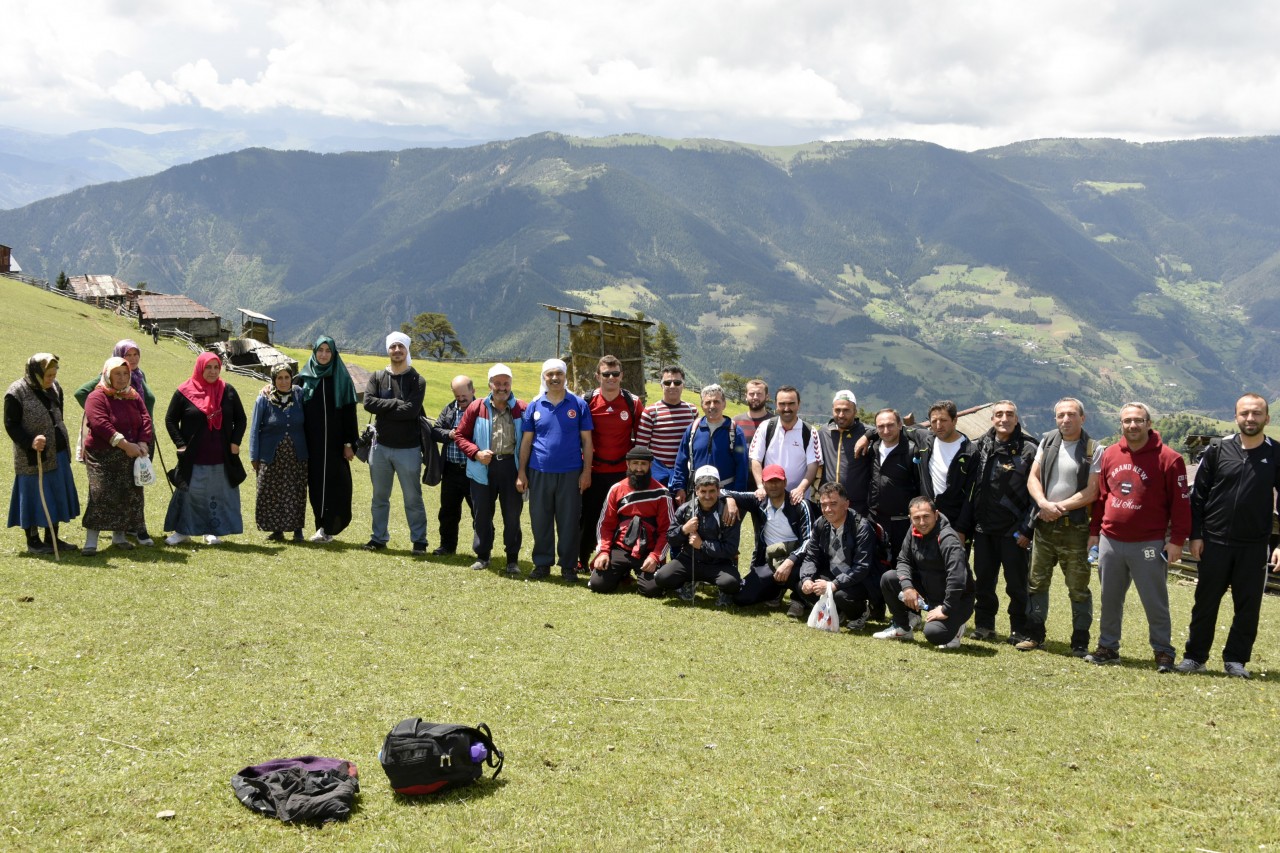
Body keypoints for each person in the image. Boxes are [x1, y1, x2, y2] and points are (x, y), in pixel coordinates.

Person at [1176, 393, 1280, 678]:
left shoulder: (1276, 453)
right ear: (1236, 417)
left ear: (1266, 418)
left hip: (1254, 546)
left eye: (1256, 413)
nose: (1250, 418)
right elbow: (1198, 498)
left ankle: (1236, 661)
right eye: (1245, 413)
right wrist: (1195, 536)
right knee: (1205, 604)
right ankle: (1195, 657)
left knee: (1248, 608)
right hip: (1214, 542)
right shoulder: (1218, 450)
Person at [1085, 402, 1190, 671]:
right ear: (1120, 424)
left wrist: (1177, 540)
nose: (1132, 425)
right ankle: (1108, 647)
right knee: (1110, 598)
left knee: (1154, 600)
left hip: (1149, 541)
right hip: (1110, 539)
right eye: (1127, 420)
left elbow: (1180, 504)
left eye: (1138, 420)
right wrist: (1095, 533)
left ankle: (1163, 651)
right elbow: (1101, 498)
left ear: (1149, 423)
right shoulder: (1109, 455)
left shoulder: (1169, 458)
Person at [1021, 397, 1102, 656]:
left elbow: (1091, 491)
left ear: (1082, 417)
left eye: (1071, 415)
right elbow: (1033, 478)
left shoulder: (1093, 449)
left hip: (1074, 529)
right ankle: (1035, 634)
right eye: (1060, 415)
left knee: (1078, 586)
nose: (1065, 420)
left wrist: (1058, 508)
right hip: (1044, 526)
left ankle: (1080, 640)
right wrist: (1043, 503)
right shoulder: (1047, 441)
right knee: (1036, 582)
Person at [967, 401, 1037, 644]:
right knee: (984, 581)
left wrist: (1028, 528)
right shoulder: (980, 446)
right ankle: (985, 626)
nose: (1004, 418)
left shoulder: (1029, 450)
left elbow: (1037, 495)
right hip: (983, 528)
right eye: (999, 414)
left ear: (1017, 419)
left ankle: (1019, 629)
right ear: (992, 419)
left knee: (1017, 585)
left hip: (1015, 531)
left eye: (1009, 414)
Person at [517, 358, 593, 582]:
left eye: (558, 374)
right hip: (538, 471)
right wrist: (522, 472)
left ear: (565, 376)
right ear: (544, 378)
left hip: (571, 472)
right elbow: (526, 442)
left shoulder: (578, 405)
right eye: (549, 375)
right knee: (540, 519)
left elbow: (587, 442)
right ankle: (542, 564)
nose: (554, 378)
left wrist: (586, 471)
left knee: (569, 520)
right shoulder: (535, 406)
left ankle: (568, 566)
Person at [74, 339, 156, 544]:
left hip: (131, 452)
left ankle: (119, 538)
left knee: (127, 494)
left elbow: (145, 417)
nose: (122, 378)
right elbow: (100, 424)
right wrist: (125, 444)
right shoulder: (97, 396)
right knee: (100, 495)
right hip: (103, 455)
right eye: (117, 374)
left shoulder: (133, 394)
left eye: (125, 373)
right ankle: (91, 541)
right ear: (108, 374)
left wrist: (143, 442)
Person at [163, 352, 246, 545]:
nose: (212, 371)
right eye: (208, 367)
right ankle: (183, 531)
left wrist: (235, 442)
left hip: (221, 455)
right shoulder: (184, 391)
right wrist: (180, 444)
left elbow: (241, 419)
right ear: (200, 367)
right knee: (190, 493)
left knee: (216, 494)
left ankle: (212, 531)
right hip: (193, 455)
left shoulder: (228, 391)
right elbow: (170, 419)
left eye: (216, 367)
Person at [874, 496, 976, 648]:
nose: (922, 522)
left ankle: (957, 627)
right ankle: (902, 628)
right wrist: (908, 587)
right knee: (889, 578)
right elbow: (903, 560)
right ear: (910, 518)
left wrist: (946, 608)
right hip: (929, 591)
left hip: (956, 600)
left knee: (934, 634)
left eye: (926, 517)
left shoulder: (948, 538)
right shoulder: (913, 530)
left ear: (936, 514)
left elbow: (957, 578)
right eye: (917, 518)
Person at [6, 353, 80, 554]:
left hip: (58, 451)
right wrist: (30, 442)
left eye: (54, 375)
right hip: (32, 455)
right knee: (33, 495)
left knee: (54, 494)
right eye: (48, 375)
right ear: (35, 372)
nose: (51, 380)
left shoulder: (55, 388)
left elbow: (58, 415)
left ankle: (52, 538)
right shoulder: (16, 392)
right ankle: (33, 542)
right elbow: (11, 425)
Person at [455, 364, 526, 574]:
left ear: (511, 384)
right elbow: (460, 435)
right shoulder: (477, 407)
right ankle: (483, 555)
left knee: (512, 515)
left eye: (506, 383)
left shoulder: (522, 408)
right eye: (498, 383)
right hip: (482, 467)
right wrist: (476, 453)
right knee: (482, 514)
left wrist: (524, 471)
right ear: (490, 384)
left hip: (511, 468)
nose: (502, 387)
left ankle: (512, 559)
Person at [637, 465, 741, 605]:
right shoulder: (685, 509)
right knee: (662, 577)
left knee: (732, 583)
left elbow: (731, 548)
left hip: (718, 563)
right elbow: (670, 539)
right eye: (703, 491)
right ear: (696, 490)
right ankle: (687, 584)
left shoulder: (728, 512)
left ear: (718, 491)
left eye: (711, 491)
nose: (707, 496)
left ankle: (724, 592)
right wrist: (683, 530)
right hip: (689, 560)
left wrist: (702, 545)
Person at [363, 332, 428, 554]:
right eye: (393, 346)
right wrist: (394, 403)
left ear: (407, 350)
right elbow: (368, 403)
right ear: (388, 350)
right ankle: (378, 537)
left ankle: (419, 541)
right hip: (379, 448)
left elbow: (411, 412)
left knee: (412, 497)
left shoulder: (416, 380)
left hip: (408, 449)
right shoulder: (377, 376)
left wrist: (385, 409)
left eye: (401, 346)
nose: (397, 350)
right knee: (379, 497)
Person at [579, 355, 643, 572]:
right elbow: (580, 437)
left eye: (615, 374)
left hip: (622, 473)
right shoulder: (587, 401)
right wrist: (584, 471)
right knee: (589, 516)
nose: (611, 378)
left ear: (622, 375)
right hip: (594, 470)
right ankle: (582, 557)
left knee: (621, 518)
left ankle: (618, 562)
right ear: (598, 376)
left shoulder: (632, 402)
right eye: (606, 374)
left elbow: (641, 439)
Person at [294, 336, 359, 542]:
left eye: (327, 350)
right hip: (308, 443)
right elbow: (284, 393)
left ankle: (329, 527)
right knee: (314, 485)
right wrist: (266, 389)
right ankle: (319, 527)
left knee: (336, 484)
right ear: (314, 352)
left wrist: (349, 443)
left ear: (333, 353)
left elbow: (350, 413)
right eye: (320, 350)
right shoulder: (304, 378)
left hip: (335, 445)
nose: (323, 354)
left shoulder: (341, 378)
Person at [724, 464, 814, 607]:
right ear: (763, 483)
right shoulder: (758, 500)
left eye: (777, 481)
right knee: (741, 597)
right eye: (769, 482)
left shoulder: (800, 504)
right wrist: (729, 499)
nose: (773, 486)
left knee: (810, 592)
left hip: (798, 561)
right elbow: (721, 491)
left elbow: (809, 541)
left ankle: (798, 597)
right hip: (771, 562)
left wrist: (790, 561)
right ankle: (775, 590)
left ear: (785, 482)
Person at [588, 446, 673, 593]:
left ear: (650, 465)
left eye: (643, 464)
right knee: (598, 584)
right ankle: (622, 573)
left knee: (653, 590)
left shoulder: (662, 493)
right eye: (635, 463)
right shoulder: (616, 489)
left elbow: (667, 530)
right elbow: (605, 524)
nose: (639, 468)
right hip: (620, 547)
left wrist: (655, 556)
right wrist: (603, 551)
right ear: (628, 464)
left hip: (648, 550)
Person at [791, 482, 876, 626]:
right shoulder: (820, 524)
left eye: (833, 504)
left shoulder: (862, 527)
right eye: (823, 505)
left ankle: (862, 611)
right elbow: (811, 556)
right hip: (832, 574)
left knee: (840, 595)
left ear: (846, 504)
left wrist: (833, 585)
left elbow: (862, 567)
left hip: (860, 580)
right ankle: (838, 612)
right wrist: (806, 579)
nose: (827, 509)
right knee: (803, 586)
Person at [249, 364, 309, 542]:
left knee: (296, 491)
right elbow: (254, 428)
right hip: (270, 454)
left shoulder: (299, 395)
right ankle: (277, 530)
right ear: (273, 380)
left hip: (296, 454)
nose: (283, 382)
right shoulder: (264, 399)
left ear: (292, 378)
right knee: (271, 492)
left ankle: (297, 529)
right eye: (279, 378)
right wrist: (254, 455)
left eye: (287, 377)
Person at [910, 400, 975, 545]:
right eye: (934, 421)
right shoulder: (926, 440)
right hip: (928, 520)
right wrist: (868, 435)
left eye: (944, 420)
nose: (938, 425)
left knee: (956, 566)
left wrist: (961, 529)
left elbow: (972, 496)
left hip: (955, 523)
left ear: (955, 420)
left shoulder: (970, 452)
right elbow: (902, 428)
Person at [670, 383, 748, 504]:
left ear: (724, 404)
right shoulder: (693, 429)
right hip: (697, 494)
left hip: (725, 495)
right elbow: (681, 461)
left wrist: (735, 498)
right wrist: (679, 488)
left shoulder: (735, 432)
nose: (712, 406)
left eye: (716, 402)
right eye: (707, 402)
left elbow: (742, 467)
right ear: (702, 405)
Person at [868, 408, 922, 564]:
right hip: (875, 520)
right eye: (881, 426)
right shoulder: (873, 448)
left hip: (902, 523)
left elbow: (920, 485)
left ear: (900, 425)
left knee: (903, 565)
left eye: (890, 425)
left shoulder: (911, 450)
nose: (886, 430)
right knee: (876, 565)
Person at [748, 385, 820, 504]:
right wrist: (761, 486)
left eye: (791, 403)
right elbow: (755, 459)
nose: (787, 408)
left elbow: (813, 465)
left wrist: (800, 489)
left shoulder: (809, 431)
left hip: (797, 500)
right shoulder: (765, 427)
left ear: (799, 404)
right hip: (769, 498)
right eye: (782, 404)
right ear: (776, 405)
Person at [431, 375, 476, 556]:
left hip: (473, 470)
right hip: (450, 469)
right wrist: (450, 434)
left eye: (464, 395)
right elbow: (435, 431)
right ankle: (447, 546)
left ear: (473, 391)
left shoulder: (482, 409)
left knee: (479, 512)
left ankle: (482, 549)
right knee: (448, 511)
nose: (460, 399)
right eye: (457, 396)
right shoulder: (450, 409)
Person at [634, 365, 697, 485]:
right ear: (661, 385)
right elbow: (641, 448)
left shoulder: (692, 410)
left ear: (683, 384)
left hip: (684, 471)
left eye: (677, 382)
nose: (672, 386)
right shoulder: (651, 412)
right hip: (657, 473)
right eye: (667, 382)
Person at [816, 390, 873, 516]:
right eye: (837, 410)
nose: (841, 415)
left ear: (855, 411)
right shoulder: (823, 432)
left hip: (858, 505)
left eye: (846, 410)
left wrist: (868, 436)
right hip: (829, 504)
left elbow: (894, 430)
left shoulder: (867, 433)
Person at [732, 378, 771, 446]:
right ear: (745, 396)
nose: (755, 397)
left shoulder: (776, 422)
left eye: (759, 394)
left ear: (767, 397)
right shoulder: (735, 422)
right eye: (752, 394)